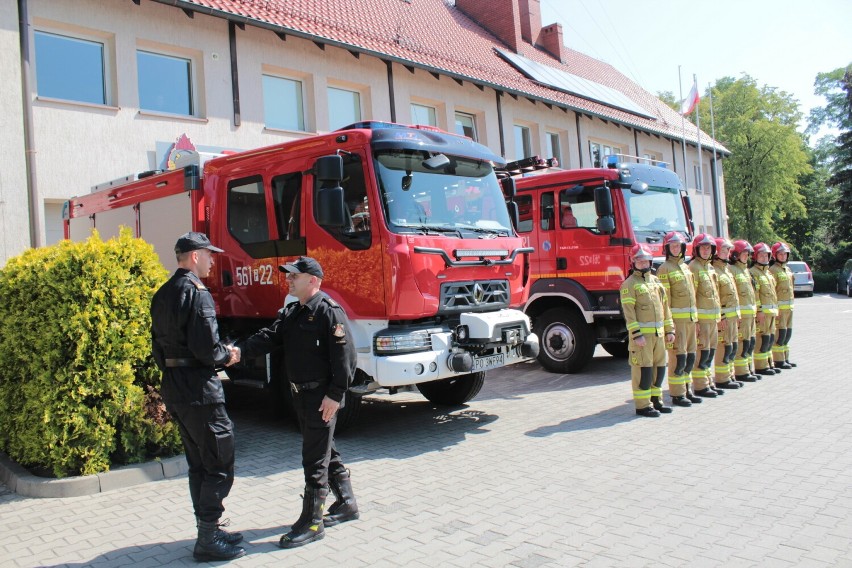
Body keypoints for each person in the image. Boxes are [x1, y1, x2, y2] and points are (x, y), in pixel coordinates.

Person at [237, 256, 358, 548]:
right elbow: (269, 337)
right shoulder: (294, 312)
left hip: (320, 398)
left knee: (314, 460)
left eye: (295, 276)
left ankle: (312, 522)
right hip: (300, 395)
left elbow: (347, 360)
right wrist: (238, 352)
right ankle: (346, 504)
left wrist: (335, 395)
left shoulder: (329, 312)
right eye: (289, 276)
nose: (288, 280)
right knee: (324, 448)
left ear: (313, 281)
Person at [150, 232, 245, 562]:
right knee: (219, 462)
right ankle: (207, 538)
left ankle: (210, 529)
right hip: (200, 391)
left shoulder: (162, 294)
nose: (212, 260)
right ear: (193, 257)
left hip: (175, 388)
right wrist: (227, 356)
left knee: (198, 465)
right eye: (208, 255)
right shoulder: (198, 293)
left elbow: (157, 348)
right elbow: (208, 349)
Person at [620, 244, 675, 417]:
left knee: (658, 369)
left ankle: (656, 400)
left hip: (658, 336)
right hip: (642, 338)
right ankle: (643, 405)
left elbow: (665, 308)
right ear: (633, 262)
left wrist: (669, 330)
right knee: (643, 371)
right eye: (639, 260)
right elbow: (629, 313)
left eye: (645, 260)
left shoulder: (656, 282)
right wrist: (636, 335)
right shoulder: (629, 284)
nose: (643, 263)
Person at [656, 231, 701, 407]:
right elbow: (664, 300)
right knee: (678, 358)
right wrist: (670, 326)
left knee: (690, 357)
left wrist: (695, 319)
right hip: (677, 322)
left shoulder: (686, 268)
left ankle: (687, 389)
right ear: (667, 248)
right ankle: (677, 393)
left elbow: (693, 296)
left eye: (678, 245)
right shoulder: (664, 269)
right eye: (672, 246)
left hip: (690, 321)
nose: (676, 248)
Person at [688, 233, 724, 397]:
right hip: (701, 321)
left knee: (710, 352)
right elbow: (692, 296)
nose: (705, 250)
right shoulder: (693, 267)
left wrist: (719, 317)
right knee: (702, 353)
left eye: (708, 247)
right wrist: (695, 321)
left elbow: (716, 294)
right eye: (702, 247)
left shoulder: (710, 268)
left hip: (713, 319)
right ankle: (700, 386)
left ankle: (708, 382)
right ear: (696, 249)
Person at [712, 238, 743, 389]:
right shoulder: (715, 271)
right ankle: (722, 378)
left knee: (731, 347)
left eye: (728, 250)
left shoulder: (727, 270)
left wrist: (737, 314)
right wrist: (721, 316)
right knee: (723, 347)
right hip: (724, 318)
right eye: (724, 250)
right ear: (716, 251)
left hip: (733, 316)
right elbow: (715, 297)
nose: (727, 253)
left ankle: (730, 375)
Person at [728, 240, 760, 383]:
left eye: (748, 254)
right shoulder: (732, 270)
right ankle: (741, 372)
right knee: (742, 343)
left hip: (750, 314)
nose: (747, 256)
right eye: (744, 254)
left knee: (750, 342)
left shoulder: (745, 270)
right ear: (735, 255)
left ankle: (748, 368)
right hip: (742, 315)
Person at [750, 242, 779, 376]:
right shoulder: (753, 273)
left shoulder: (768, 273)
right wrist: (759, 310)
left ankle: (769, 363)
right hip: (763, 313)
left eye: (766, 255)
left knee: (770, 339)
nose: (763, 258)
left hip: (772, 312)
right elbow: (755, 294)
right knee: (762, 339)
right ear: (755, 257)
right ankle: (761, 366)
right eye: (760, 255)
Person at [769, 242, 796, 369]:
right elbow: (771, 291)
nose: (783, 256)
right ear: (775, 255)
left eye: (785, 254)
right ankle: (779, 360)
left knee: (787, 334)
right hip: (780, 310)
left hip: (789, 308)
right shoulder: (772, 270)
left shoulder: (787, 269)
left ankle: (786, 357)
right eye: (780, 254)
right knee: (780, 335)